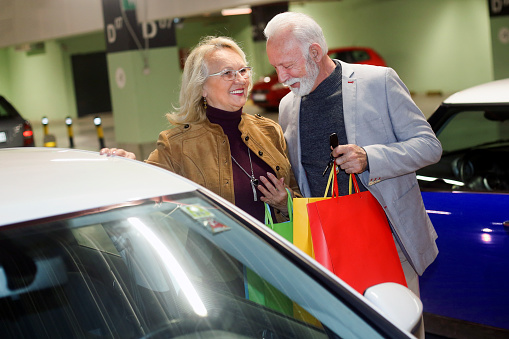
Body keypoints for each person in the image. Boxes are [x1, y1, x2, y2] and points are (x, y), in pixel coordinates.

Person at [263, 12, 442, 305]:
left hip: (388, 238)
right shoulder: (287, 106)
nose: (281, 78)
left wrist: (370, 157)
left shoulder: (378, 82)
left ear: (316, 53)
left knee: (398, 324)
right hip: (327, 246)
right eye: (275, 67)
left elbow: (429, 146)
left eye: (287, 65)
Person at [101, 36, 300, 223]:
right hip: (217, 258)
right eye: (227, 73)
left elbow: (299, 196)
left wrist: (286, 203)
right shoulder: (178, 144)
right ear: (201, 87)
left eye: (243, 71)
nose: (240, 79)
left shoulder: (270, 131)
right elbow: (147, 191)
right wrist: (128, 166)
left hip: (275, 256)